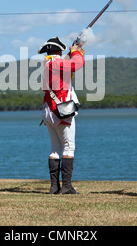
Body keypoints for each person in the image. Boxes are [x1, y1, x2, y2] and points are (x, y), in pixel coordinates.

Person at [39, 37, 85, 194]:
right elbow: (77, 64)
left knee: (55, 148)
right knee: (69, 146)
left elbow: (65, 65)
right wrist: (76, 51)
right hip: (61, 110)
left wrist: (75, 49)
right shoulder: (56, 62)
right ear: (58, 50)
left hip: (49, 110)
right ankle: (66, 186)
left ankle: (54, 187)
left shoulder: (48, 62)